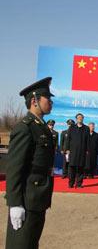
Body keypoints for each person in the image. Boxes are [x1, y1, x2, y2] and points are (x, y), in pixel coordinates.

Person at [5, 77, 55, 248]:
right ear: (34, 100)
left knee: (31, 243)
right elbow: (14, 168)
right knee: (21, 244)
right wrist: (14, 203)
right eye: (48, 98)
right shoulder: (25, 128)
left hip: (38, 196)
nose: (51, 102)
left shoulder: (41, 127)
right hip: (26, 199)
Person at [66, 113, 89, 188]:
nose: (80, 119)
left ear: (83, 119)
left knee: (81, 168)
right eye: (78, 117)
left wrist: (87, 150)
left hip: (82, 151)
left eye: (81, 117)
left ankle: (79, 184)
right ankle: (71, 183)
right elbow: (68, 139)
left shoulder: (86, 128)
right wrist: (67, 149)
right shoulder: (72, 127)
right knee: (72, 167)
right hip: (73, 151)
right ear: (76, 119)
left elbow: (87, 140)